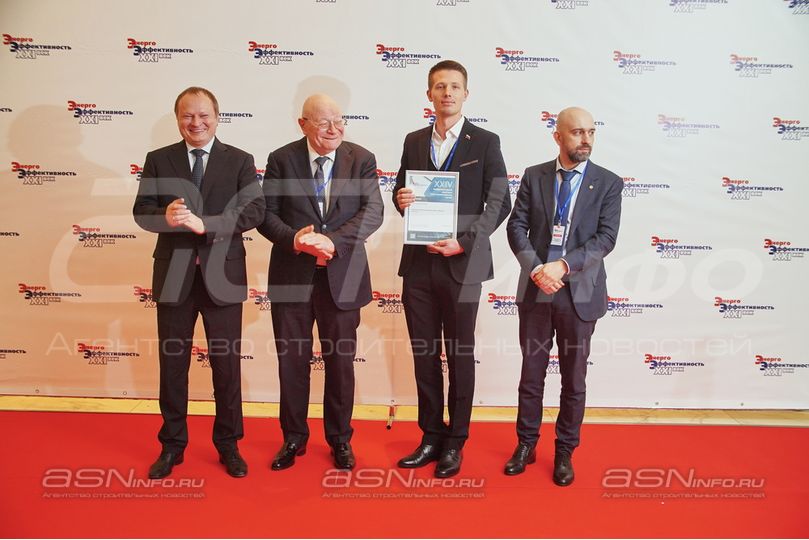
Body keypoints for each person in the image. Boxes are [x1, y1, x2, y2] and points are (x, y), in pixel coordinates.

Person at [133, 86, 265, 479]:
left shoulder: (239, 160)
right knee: (172, 365)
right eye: (188, 115)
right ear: (178, 119)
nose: (196, 122)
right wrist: (164, 216)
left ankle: (229, 444)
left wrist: (206, 224)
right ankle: (172, 446)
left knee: (226, 366)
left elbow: (255, 210)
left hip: (223, 276)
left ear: (217, 117)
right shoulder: (159, 159)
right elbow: (142, 211)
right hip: (174, 277)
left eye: (203, 115)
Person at [393, 60, 511, 478]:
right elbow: (400, 191)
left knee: (460, 355)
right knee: (424, 354)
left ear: (466, 94)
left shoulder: (486, 142)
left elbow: (500, 202)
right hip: (419, 265)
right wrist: (401, 199)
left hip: (463, 263)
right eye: (440, 86)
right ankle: (430, 436)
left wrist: (464, 241)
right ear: (429, 94)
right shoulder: (413, 140)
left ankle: (456, 441)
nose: (447, 93)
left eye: (455, 86)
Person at [258, 94, 383, 471]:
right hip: (292, 276)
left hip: (343, 277)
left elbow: (373, 211)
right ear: (303, 124)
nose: (334, 129)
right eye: (323, 122)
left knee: (341, 365)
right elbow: (266, 215)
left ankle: (340, 439)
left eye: (339, 121)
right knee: (292, 363)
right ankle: (293, 437)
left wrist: (333, 241)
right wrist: (295, 240)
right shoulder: (281, 159)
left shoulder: (361, 158)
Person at [504, 106, 622, 486]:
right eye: (577, 132)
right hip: (537, 289)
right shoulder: (534, 176)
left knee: (573, 379)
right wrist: (537, 269)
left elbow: (605, 238)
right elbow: (517, 226)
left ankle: (565, 450)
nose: (586, 139)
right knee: (531, 375)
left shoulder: (608, 183)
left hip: (579, 294)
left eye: (591, 132)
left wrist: (563, 266)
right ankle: (526, 444)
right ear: (558, 136)